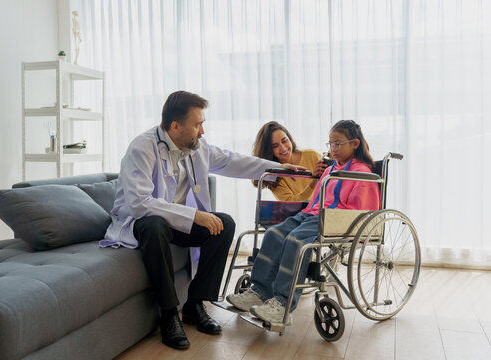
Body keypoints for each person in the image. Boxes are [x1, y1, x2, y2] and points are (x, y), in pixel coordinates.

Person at [100, 91, 303, 350]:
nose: (202, 131)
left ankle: (195, 304)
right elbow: (140, 203)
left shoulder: (196, 147)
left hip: (175, 222)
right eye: (198, 124)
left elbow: (232, 160)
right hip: (140, 222)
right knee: (155, 225)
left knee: (224, 223)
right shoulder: (143, 147)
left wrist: (275, 168)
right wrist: (194, 215)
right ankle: (169, 314)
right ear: (176, 126)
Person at [226, 120, 380, 324]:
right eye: (330, 144)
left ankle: (282, 304)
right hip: (311, 213)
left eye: (338, 144)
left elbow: (360, 212)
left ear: (355, 144)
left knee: (296, 241)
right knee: (274, 233)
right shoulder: (331, 169)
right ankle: (259, 292)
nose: (333, 149)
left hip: (334, 220)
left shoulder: (362, 174)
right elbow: (315, 199)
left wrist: (327, 215)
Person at [252, 121, 326, 201]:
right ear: (268, 151)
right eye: (275, 146)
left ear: (289, 139)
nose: (283, 148)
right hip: (301, 213)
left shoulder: (312, 155)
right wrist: (314, 182)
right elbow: (291, 203)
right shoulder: (274, 176)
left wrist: (334, 162)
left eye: (284, 141)